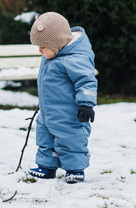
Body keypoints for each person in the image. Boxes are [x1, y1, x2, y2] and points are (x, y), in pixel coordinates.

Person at [28, 12, 97, 184]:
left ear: (56, 42)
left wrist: (86, 104)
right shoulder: (53, 55)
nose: (39, 51)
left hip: (68, 114)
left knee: (71, 140)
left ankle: (75, 169)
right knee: (45, 139)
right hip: (48, 112)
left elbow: (86, 81)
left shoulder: (75, 59)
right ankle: (47, 167)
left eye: (42, 47)